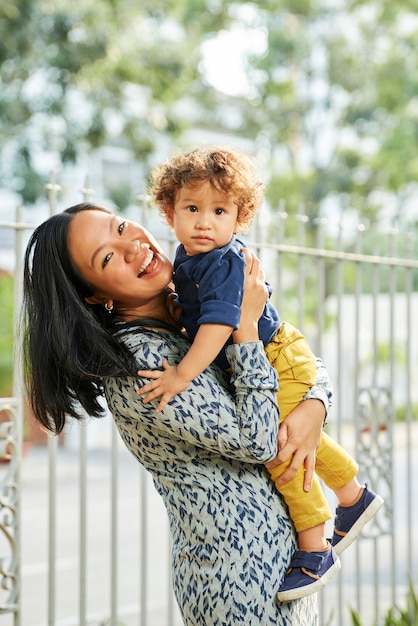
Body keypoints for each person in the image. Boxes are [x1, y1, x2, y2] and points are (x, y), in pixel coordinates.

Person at [23, 201, 333, 625]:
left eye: (121, 227)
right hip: (238, 584)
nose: (133, 247)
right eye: (108, 257)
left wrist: (315, 401)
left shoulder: (192, 313)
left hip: (282, 566)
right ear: (95, 296)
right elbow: (258, 441)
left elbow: (290, 357)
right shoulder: (140, 365)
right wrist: (244, 328)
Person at [142, 146, 384, 602]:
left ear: (240, 217)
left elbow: (218, 327)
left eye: (219, 211)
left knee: (280, 446)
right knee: (294, 435)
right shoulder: (190, 256)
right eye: (191, 208)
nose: (204, 222)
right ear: (168, 210)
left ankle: (316, 547)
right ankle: (355, 497)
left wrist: (180, 376)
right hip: (274, 355)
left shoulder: (223, 260)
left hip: (276, 356)